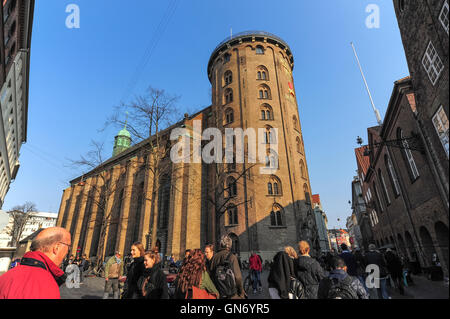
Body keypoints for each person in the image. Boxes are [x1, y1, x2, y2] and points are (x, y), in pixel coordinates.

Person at [0, 227, 70, 299]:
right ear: (56, 247)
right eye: (68, 247)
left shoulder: (6, 276)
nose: (67, 252)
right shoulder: (45, 286)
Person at [209, 235, 245, 299]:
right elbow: (238, 277)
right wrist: (241, 292)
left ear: (221, 244)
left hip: (219, 293)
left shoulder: (214, 257)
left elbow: (211, 275)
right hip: (231, 294)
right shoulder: (232, 257)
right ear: (230, 245)